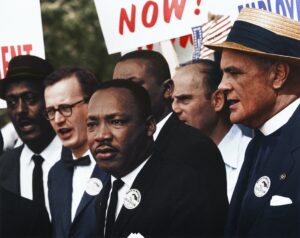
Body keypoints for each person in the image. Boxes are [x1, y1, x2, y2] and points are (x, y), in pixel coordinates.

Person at [206, 8, 300, 237]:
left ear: (278, 75)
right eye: (223, 74)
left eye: (234, 73)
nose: (222, 86)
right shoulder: (258, 143)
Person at [113, 50, 228, 235]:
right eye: (117, 87)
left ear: (167, 89)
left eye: (134, 86)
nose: (121, 96)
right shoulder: (123, 149)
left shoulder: (195, 147)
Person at [88, 79, 221, 237]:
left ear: (150, 126)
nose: (102, 135)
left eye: (116, 122)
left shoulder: (184, 187)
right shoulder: (105, 192)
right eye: (92, 125)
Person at [0, 55, 62, 237]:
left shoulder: (81, 158)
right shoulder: (3, 166)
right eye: (12, 102)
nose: (20, 110)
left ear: (50, 102)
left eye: (30, 98)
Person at [172, 60, 252, 201]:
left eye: (184, 99)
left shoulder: (252, 156)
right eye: (171, 101)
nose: (175, 109)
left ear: (218, 100)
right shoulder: (173, 163)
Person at [44, 67, 108, 237]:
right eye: (51, 111)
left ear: (93, 103)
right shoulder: (56, 174)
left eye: (65, 108)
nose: (58, 119)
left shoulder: (118, 165)